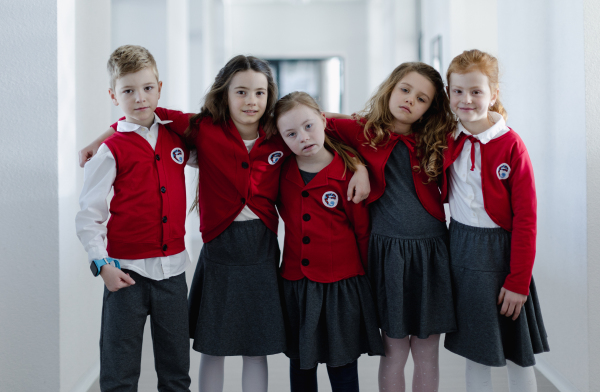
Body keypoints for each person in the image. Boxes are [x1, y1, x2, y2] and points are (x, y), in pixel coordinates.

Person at [78, 55, 371, 392]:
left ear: (269, 96)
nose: (251, 101)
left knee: (256, 346)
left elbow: (322, 122)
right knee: (211, 345)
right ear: (224, 94)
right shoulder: (203, 128)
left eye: (260, 93)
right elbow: (144, 116)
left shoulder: (279, 133)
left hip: (261, 250)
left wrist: (358, 165)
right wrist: (103, 137)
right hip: (218, 250)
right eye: (241, 92)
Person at [325, 62, 457, 392]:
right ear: (391, 88)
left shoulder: (436, 140)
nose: (410, 100)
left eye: (422, 98)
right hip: (387, 255)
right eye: (405, 89)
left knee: (427, 354)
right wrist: (357, 165)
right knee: (394, 351)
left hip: (431, 253)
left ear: (430, 109)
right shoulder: (362, 130)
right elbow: (313, 122)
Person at [75, 45, 192, 392]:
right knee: (119, 370)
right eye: (128, 90)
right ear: (114, 95)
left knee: (176, 371)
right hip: (125, 273)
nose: (139, 98)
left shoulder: (178, 138)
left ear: (159, 86)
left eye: (147, 88)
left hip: (173, 271)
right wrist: (102, 264)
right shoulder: (110, 150)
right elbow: (89, 215)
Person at [442, 49, 550, 392]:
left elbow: (527, 220)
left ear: (494, 93)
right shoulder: (446, 138)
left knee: (518, 353)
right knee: (476, 352)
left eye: (476, 91)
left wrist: (518, 282)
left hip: (502, 255)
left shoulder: (511, 145)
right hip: (460, 251)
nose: (467, 99)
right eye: (458, 91)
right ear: (448, 94)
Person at [270, 92, 384, 392]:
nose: (303, 138)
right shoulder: (281, 171)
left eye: (309, 126)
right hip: (297, 286)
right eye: (291, 134)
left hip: (341, 287)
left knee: (343, 368)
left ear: (324, 121)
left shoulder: (348, 174)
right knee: (301, 367)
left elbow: (362, 232)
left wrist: (367, 281)